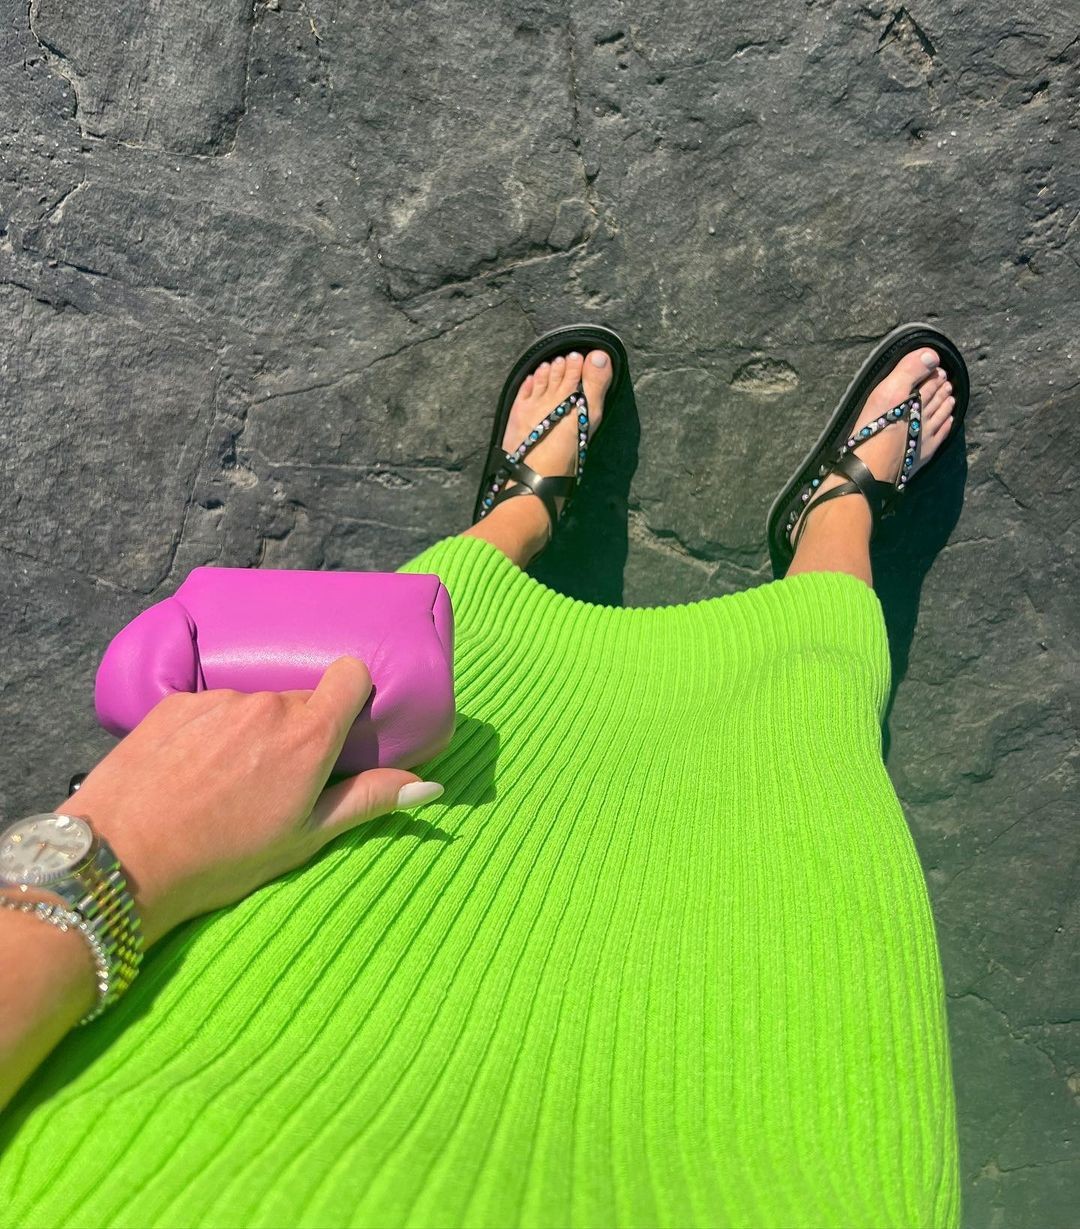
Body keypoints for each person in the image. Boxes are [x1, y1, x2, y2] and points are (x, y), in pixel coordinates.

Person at [0, 329, 964, 1229]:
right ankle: (837, 523)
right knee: (802, 720)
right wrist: (104, 865)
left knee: (422, 671)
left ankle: (521, 511)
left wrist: (133, 850)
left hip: (163, 1119)